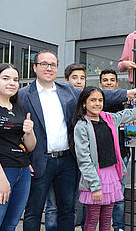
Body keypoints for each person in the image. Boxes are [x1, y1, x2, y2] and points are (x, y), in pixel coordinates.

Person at [18, 50, 136, 230]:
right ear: (35, 67)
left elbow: (97, 95)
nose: (49, 68)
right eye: (44, 64)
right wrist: (23, 159)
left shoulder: (67, 89)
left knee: (67, 209)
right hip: (40, 160)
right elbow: (16, 128)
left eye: (53, 65)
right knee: (34, 211)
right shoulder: (23, 95)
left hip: (67, 161)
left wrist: (127, 93)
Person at [69, 86, 136, 231]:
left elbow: (133, 113)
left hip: (111, 176)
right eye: (93, 100)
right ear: (84, 103)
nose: (97, 104)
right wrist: (95, 186)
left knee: (107, 219)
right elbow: (84, 159)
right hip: (95, 177)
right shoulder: (82, 126)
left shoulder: (109, 118)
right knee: (91, 221)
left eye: (100, 100)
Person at [0, 63, 36, 230]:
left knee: (11, 225)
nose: (12, 83)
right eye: (6, 78)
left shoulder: (19, 108)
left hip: (22, 172)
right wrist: (0, 179)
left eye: (15, 79)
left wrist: (29, 132)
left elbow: (29, 147)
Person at [45, 62, 87, 231]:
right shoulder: (58, 100)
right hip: (52, 158)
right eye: (74, 78)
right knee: (53, 205)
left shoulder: (88, 104)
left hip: (76, 160)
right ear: (65, 81)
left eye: (82, 78)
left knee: (71, 204)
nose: (78, 81)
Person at [97, 68, 129, 231]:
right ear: (100, 83)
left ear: (117, 83)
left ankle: (118, 227)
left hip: (121, 154)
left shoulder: (125, 102)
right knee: (95, 193)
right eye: (105, 80)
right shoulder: (95, 102)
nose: (108, 83)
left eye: (111, 80)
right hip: (99, 157)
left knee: (119, 194)